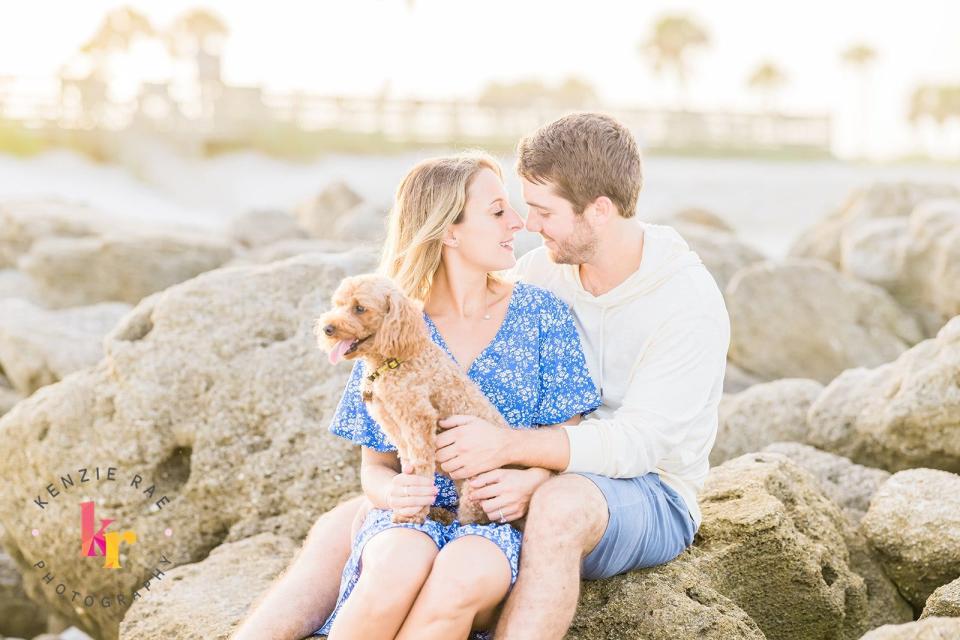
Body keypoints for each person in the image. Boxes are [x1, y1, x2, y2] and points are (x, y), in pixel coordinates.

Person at [232, 112, 729, 640]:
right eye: (512, 209)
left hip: (635, 482)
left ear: (599, 211)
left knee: (551, 512)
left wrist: (515, 458)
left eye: (540, 210)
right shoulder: (543, 270)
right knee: (345, 527)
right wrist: (395, 489)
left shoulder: (684, 303)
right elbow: (458, 312)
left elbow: (639, 445)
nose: (526, 225)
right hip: (514, 471)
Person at [307, 151, 600, 640]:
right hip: (409, 518)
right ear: (449, 230)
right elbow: (374, 467)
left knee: (462, 574)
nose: (519, 222)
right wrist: (394, 491)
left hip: (492, 521)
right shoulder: (385, 322)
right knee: (395, 566)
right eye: (498, 211)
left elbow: (571, 432)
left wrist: (532, 481)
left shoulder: (542, 315)